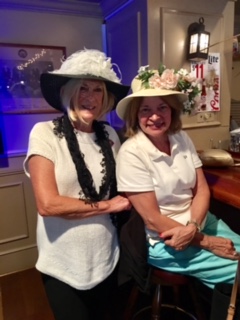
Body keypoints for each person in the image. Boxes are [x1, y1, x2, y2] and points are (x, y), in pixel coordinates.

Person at [23, 49, 131, 320]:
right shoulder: (44, 133)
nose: (90, 97)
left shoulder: (109, 135)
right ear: (68, 91)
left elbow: (124, 183)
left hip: (108, 257)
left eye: (97, 90)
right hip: (63, 264)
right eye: (82, 88)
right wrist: (108, 205)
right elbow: (48, 204)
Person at [115, 64, 240, 291]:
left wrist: (194, 226)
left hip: (200, 223)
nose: (155, 116)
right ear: (135, 115)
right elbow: (152, 219)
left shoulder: (181, 137)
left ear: (172, 110)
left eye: (162, 107)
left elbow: (201, 189)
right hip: (166, 238)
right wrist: (206, 241)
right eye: (145, 110)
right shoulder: (131, 153)